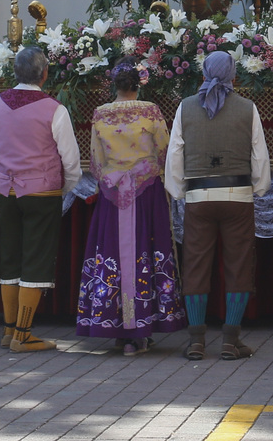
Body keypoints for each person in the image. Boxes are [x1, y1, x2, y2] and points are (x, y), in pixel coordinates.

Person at [76, 58, 186, 355]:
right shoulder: (150, 111)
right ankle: (142, 328)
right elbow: (165, 152)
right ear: (138, 85)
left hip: (113, 195)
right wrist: (144, 174)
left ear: (114, 85)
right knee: (146, 253)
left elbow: (96, 163)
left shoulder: (100, 114)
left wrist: (116, 180)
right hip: (146, 193)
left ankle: (118, 328)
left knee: (113, 253)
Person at [166, 50, 271, 361]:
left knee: (196, 265)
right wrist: (260, 187)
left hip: (199, 195)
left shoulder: (185, 108)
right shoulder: (247, 108)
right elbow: (259, 154)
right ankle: (230, 339)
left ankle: (196, 340)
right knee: (238, 265)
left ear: (203, 74)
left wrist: (179, 190)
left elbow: (175, 154)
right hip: (238, 195)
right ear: (233, 76)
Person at [0, 46, 82, 352]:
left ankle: (9, 329)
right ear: (44, 73)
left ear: (15, 72)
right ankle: (23, 334)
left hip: (5, 188)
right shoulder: (54, 109)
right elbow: (70, 159)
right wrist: (65, 187)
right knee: (36, 259)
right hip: (42, 190)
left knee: (10, 257)